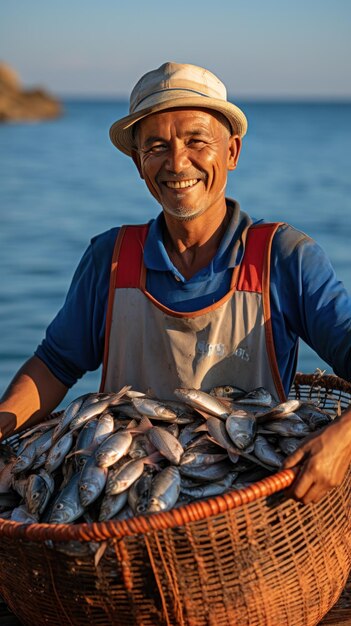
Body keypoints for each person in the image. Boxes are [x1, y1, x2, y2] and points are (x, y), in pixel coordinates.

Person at [1, 62, 351, 505]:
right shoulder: (110, 259)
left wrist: (342, 439)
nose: (177, 162)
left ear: (232, 152)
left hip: (248, 509)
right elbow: (54, 365)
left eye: (197, 141)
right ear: (138, 164)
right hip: (126, 507)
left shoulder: (284, 257)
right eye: (157, 146)